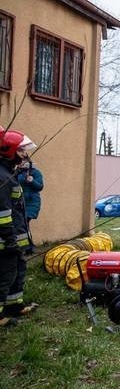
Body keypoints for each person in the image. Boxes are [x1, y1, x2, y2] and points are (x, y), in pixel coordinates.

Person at [0, 129, 35, 327]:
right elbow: (3, 215)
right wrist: (11, 240)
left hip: (15, 237)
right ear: (10, 151)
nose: (25, 155)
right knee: (5, 275)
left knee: (17, 270)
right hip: (6, 240)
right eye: (22, 151)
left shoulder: (9, 174)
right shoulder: (3, 177)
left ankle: (14, 305)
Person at [16, 155, 43, 255]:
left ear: (28, 161)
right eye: (20, 160)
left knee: (24, 222)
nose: (22, 162)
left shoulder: (36, 172)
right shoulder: (17, 172)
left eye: (24, 160)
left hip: (32, 202)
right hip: (20, 202)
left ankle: (29, 247)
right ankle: (28, 247)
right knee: (23, 224)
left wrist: (32, 181)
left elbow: (40, 186)